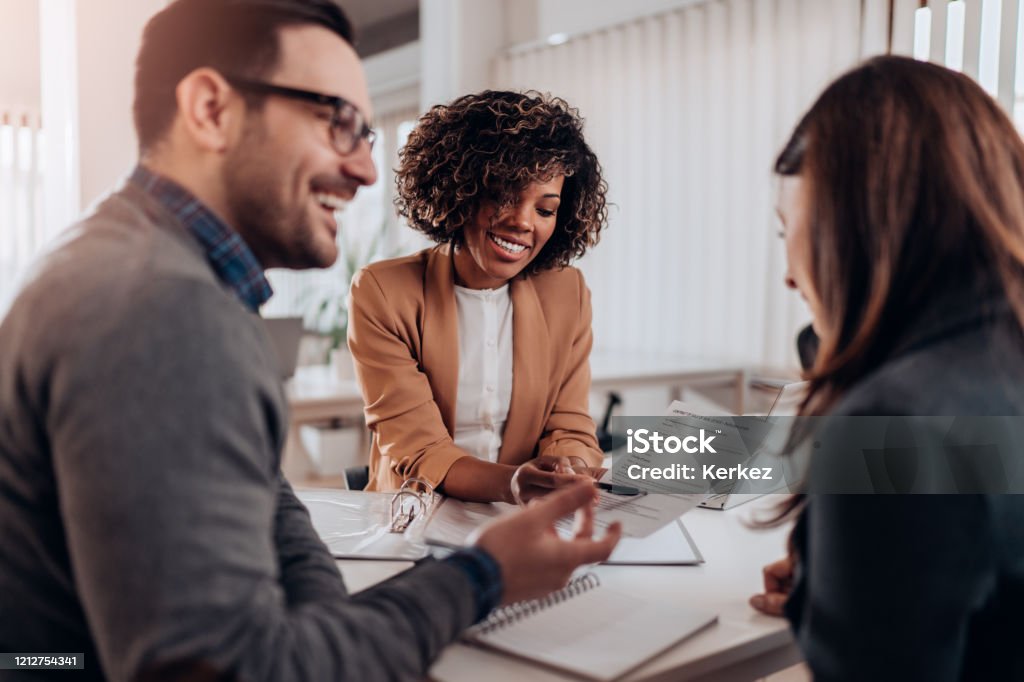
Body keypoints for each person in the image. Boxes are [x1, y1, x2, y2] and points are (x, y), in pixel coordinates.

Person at [0, 1, 621, 680]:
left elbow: (268, 498)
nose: (362, 170)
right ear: (211, 109)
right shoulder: (160, 311)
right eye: (337, 123)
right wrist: (483, 578)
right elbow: (236, 669)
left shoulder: (138, 260)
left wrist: (334, 612)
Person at [749, 56, 1024, 678]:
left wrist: (832, 593)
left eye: (789, 229)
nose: (791, 274)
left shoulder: (895, 421)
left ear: (857, 227)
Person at [348, 90, 610, 502]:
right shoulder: (383, 292)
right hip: (412, 516)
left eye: (545, 209)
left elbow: (570, 424)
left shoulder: (567, 293)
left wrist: (568, 466)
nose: (523, 222)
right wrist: (513, 483)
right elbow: (419, 450)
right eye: (505, 196)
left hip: (521, 520)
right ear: (462, 191)